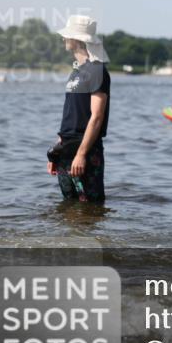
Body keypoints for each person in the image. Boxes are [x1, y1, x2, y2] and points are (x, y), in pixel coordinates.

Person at [47, 15, 111, 203]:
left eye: (67, 35)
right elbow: (71, 114)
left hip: (86, 150)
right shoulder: (76, 71)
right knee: (69, 207)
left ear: (78, 39)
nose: (64, 39)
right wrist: (57, 151)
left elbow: (97, 117)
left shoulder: (97, 71)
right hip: (66, 150)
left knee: (91, 206)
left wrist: (81, 154)